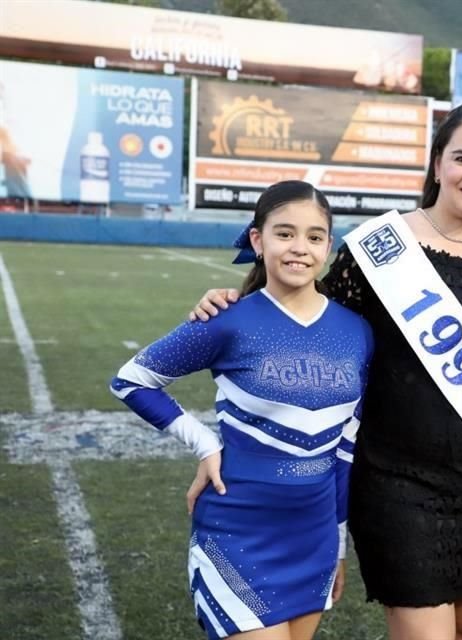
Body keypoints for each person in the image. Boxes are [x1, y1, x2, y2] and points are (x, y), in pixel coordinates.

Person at [189, 101, 462, 640]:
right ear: (436, 165)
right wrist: (236, 301)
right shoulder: (381, 248)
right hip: (393, 480)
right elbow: (308, 315)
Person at [111, 180, 373, 640]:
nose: (299, 248)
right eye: (284, 233)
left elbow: (346, 451)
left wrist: (338, 548)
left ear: (329, 246)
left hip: (313, 537)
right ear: (257, 240)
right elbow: (132, 380)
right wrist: (205, 443)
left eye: (314, 237)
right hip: (238, 532)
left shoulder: (357, 332)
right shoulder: (226, 320)